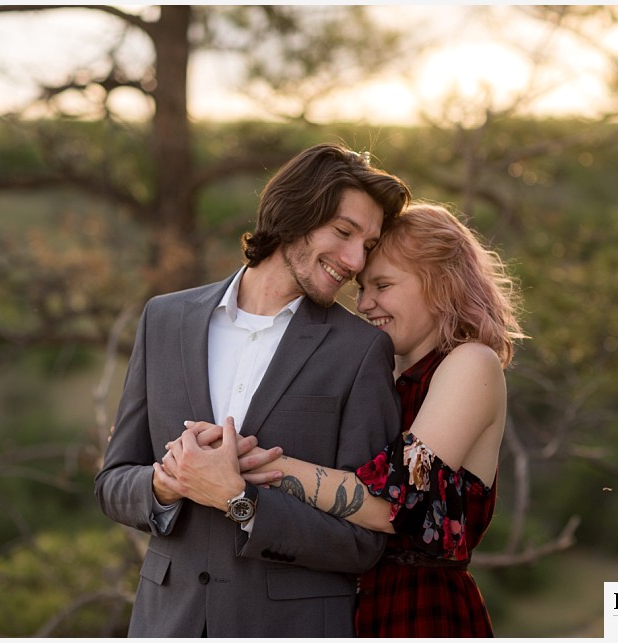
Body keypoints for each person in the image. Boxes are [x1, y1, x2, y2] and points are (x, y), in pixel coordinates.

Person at [94, 143, 410, 637]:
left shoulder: (362, 350)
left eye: (367, 246)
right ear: (294, 215)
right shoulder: (165, 319)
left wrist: (241, 501)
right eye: (344, 233)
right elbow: (112, 484)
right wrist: (165, 484)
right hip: (166, 623)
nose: (353, 261)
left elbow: (366, 540)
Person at [168, 202, 525, 637]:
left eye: (383, 285)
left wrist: (242, 464)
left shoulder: (471, 363)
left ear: (441, 283)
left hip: (421, 612)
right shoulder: (382, 373)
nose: (365, 303)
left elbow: (393, 502)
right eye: (361, 288)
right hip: (346, 605)